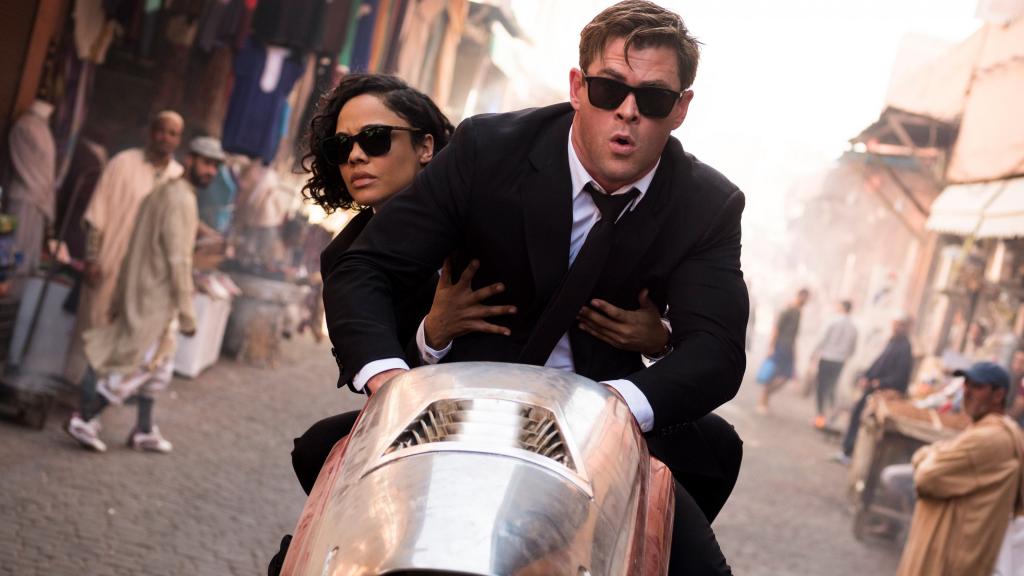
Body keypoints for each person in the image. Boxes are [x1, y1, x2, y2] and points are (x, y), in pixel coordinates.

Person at [324, 2, 747, 573]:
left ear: (680, 109)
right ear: (577, 87)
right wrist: (389, 383)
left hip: (604, 432)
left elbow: (717, 349)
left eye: (652, 99)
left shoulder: (707, 204)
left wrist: (615, 408)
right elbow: (366, 268)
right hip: (459, 413)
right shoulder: (487, 149)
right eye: (608, 90)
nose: (627, 112)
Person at [277, 72, 674, 574]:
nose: (357, 156)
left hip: (563, 414)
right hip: (435, 422)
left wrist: (660, 337)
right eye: (341, 147)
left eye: (375, 140)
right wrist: (433, 334)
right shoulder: (347, 257)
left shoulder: (484, 207)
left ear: (426, 147)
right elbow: (370, 370)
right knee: (317, 456)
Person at [64, 137, 224, 454]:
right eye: (206, 163)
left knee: (159, 368)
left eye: (215, 166)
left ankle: (144, 429)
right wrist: (187, 313)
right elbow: (179, 261)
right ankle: (85, 417)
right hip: (155, 299)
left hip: (145, 294)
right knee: (140, 365)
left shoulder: (165, 192)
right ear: (190, 160)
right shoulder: (180, 199)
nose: (211, 171)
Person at [65, 111, 185, 382]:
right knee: (95, 327)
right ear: (150, 132)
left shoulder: (178, 178)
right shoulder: (122, 163)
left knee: (130, 337)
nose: (165, 138)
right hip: (110, 263)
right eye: (161, 130)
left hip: (145, 276)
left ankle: (103, 395)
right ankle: (79, 389)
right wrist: (92, 259)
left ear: (179, 140)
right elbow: (97, 215)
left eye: (173, 134)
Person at [897, 361, 1023, 576]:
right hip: (960, 550)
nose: (967, 392)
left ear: (998, 395)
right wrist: (936, 454)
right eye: (966, 384)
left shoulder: (990, 437)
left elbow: (927, 477)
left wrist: (931, 454)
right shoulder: (993, 431)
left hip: (949, 553)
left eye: (977, 387)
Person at [836, 316, 914, 463]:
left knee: (865, 422)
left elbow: (900, 376)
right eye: (895, 324)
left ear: (905, 327)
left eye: (899, 325)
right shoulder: (893, 342)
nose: (895, 327)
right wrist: (866, 377)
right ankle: (847, 451)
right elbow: (878, 364)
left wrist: (879, 383)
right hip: (872, 388)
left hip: (883, 393)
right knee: (857, 415)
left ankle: (851, 453)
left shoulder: (905, 348)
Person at [757, 288, 810, 413]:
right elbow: (776, 329)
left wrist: (795, 352)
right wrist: (771, 347)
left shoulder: (798, 312)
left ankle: (766, 397)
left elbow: (794, 335)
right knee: (773, 374)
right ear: (800, 296)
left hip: (788, 348)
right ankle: (763, 401)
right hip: (780, 346)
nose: (806, 301)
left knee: (786, 376)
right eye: (806, 298)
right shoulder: (788, 310)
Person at [810, 299, 857, 429]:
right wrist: (845, 356)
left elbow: (822, 338)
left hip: (827, 357)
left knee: (821, 387)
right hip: (840, 361)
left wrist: (814, 353)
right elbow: (853, 348)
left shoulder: (832, 321)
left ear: (842, 307)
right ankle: (831, 417)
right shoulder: (853, 327)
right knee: (832, 386)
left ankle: (820, 416)